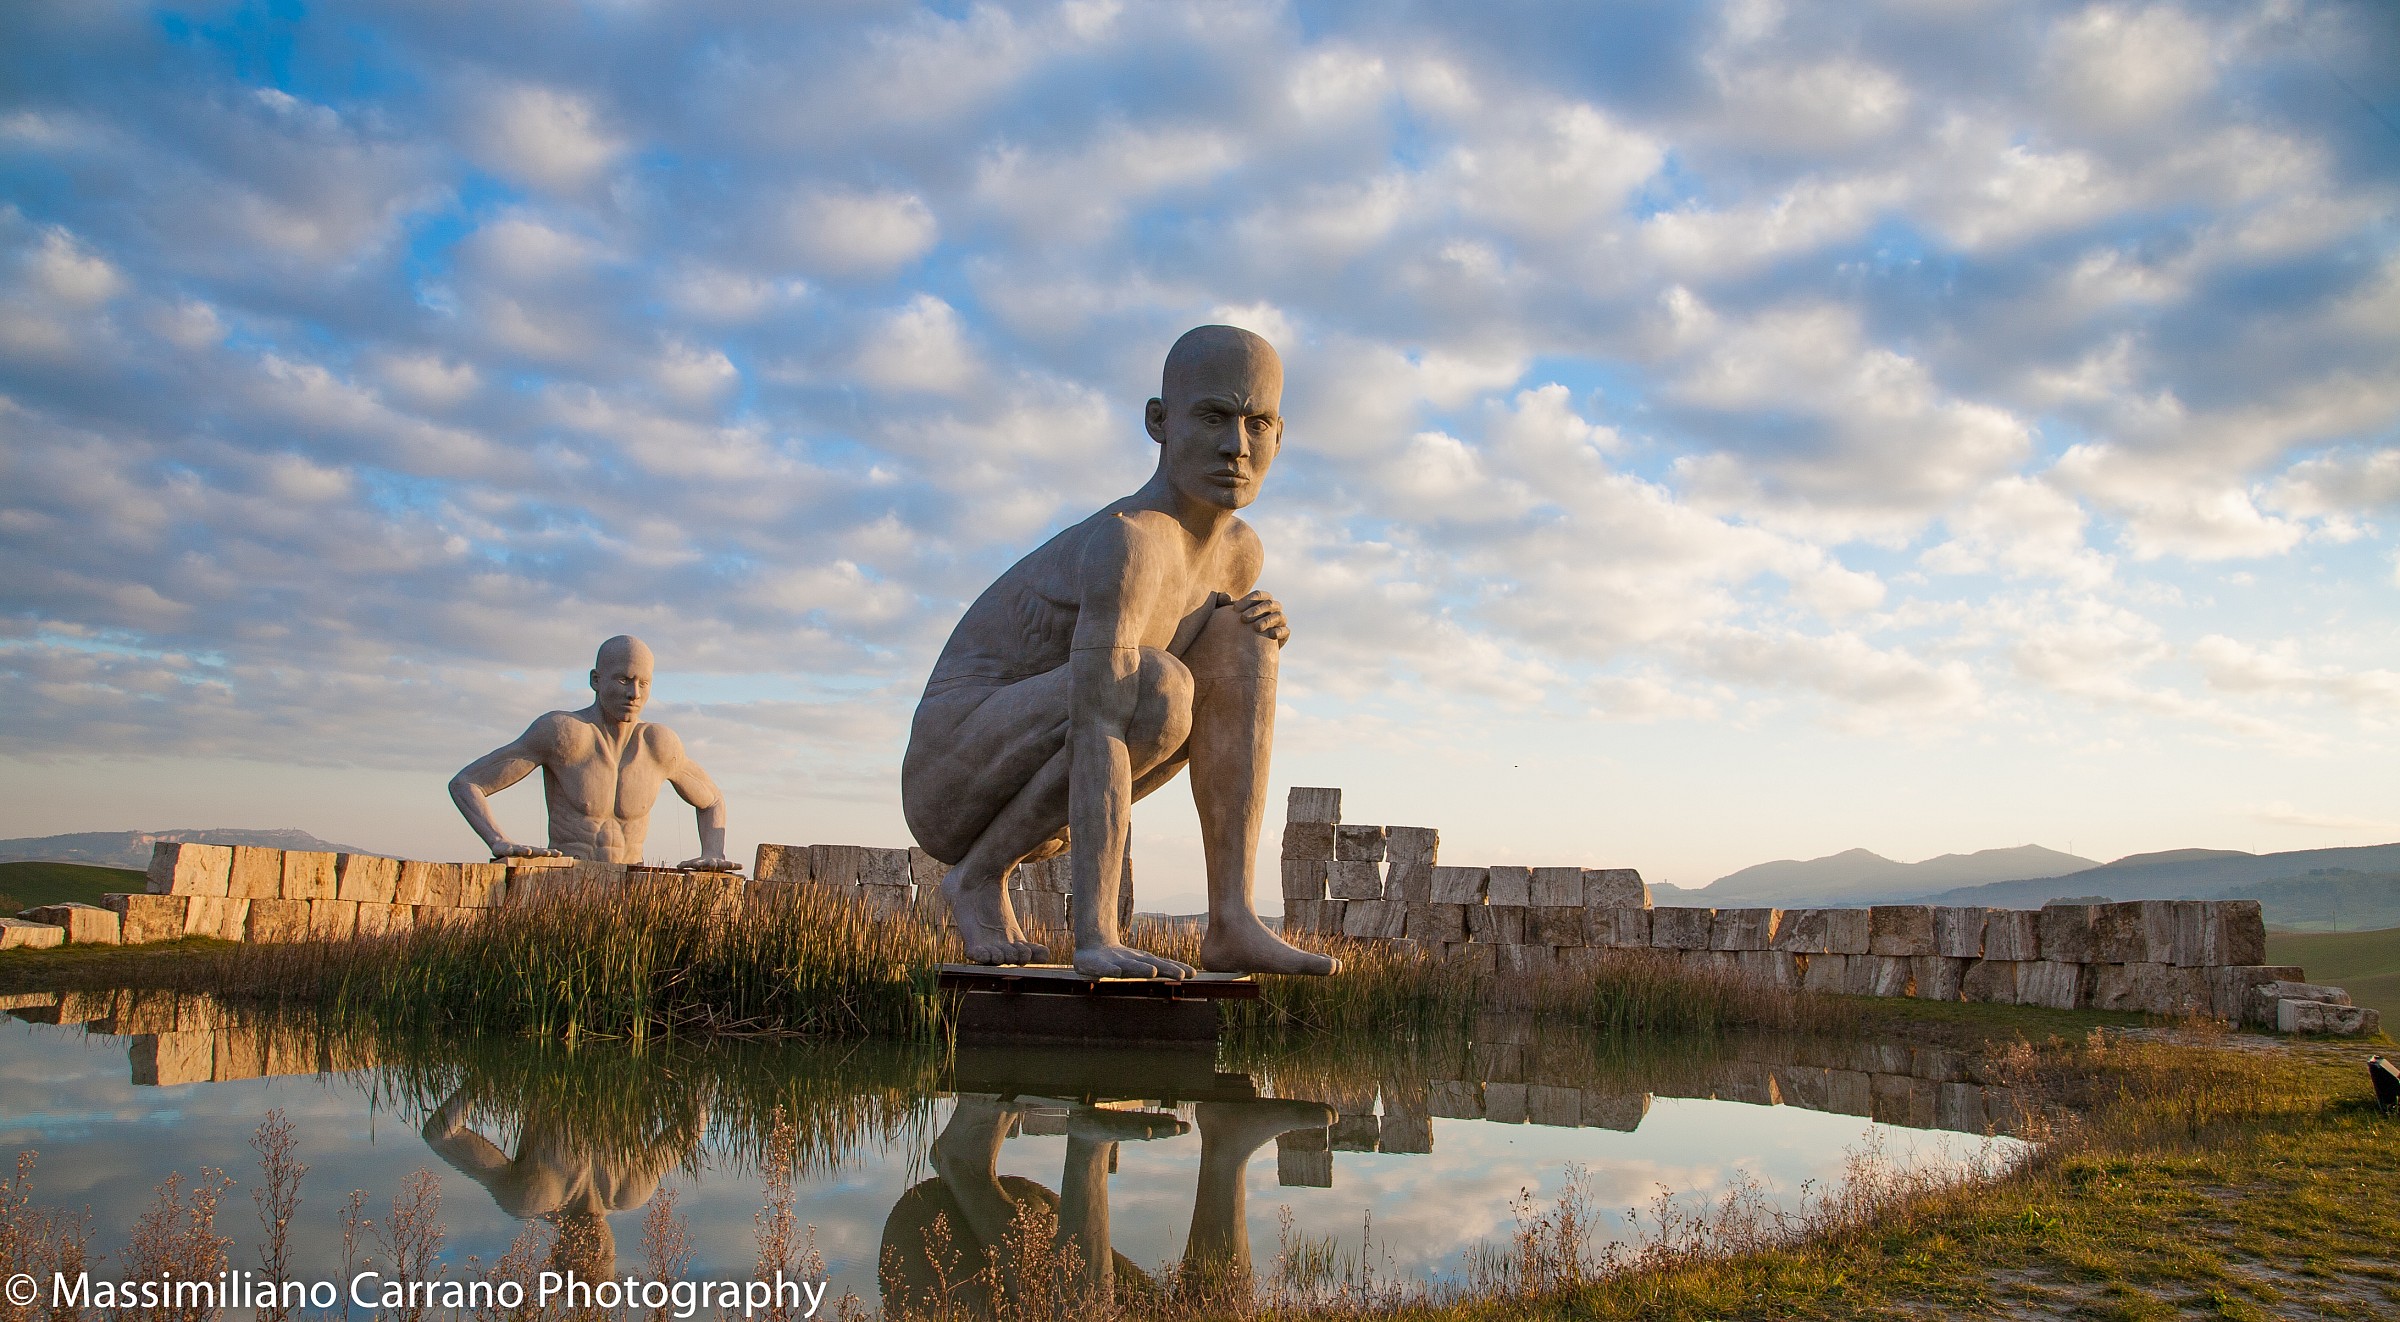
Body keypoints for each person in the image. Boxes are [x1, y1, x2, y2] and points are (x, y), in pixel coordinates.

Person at [902, 326, 1336, 976]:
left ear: (1280, 435)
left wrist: (1251, 633)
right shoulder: (1129, 541)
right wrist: (1097, 937)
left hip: (1060, 770)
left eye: (1258, 424)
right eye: (1213, 416)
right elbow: (1102, 712)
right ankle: (979, 877)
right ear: (1159, 422)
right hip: (954, 773)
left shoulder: (1239, 552)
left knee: (1246, 638)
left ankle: (1232, 920)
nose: (1236, 446)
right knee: (1156, 683)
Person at [448, 635, 739, 869]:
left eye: (643, 683)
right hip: (567, 882)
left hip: (630, 886)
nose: (634, 694)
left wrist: (713, 853)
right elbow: (466, 783)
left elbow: (712, 800)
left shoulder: (659, 744)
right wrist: (498, 840)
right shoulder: (564, 733)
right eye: (623, 680)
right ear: (596, 680)